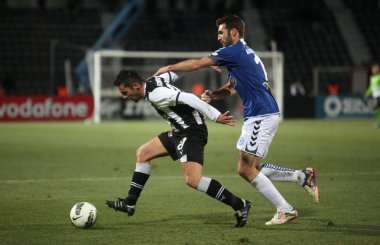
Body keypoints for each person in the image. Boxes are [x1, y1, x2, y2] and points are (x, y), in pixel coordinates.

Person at [154, 15, 319, 225]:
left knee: (245, 169)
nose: (218, 37)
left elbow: (197, 64)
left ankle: (285, 209)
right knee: (251, 167)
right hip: (260, 113)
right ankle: (302, 177)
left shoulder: (234, 51)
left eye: (221, 32)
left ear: (234, 32)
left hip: (261, 114)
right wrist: (215, 95)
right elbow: (232, 87)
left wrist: (169, 68)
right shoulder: (244, 54)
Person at [106, 70, 252, 228]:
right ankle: (130, 203)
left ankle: (239, 204)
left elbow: (188, 97)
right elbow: (176, 72)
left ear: (135, 86)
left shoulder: (156, 94)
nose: (124, 97)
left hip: (192, 132)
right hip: (178, 132)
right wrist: (198, 64)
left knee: (193, 179)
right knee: (143, 153)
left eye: (125, 92)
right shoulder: (154, 81)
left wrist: (215, 115)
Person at [365, 63, 380, 128]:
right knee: (376, 110)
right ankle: (378, 122)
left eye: (375, 69)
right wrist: (367, 93)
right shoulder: (372, 78)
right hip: (375, 96)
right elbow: (371, 87)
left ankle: (378, 122)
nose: (374, 70)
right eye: (373, 69)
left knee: (376, 108)